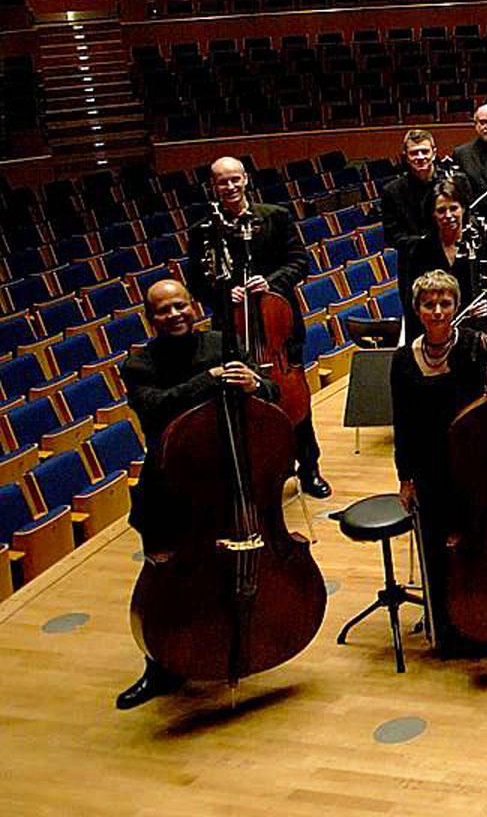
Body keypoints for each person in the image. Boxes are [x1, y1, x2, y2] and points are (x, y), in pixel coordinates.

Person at [115, 278, 280, 710]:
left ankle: (242, 641)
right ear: (150, 319)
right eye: (163, 311)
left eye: (180, 306)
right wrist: (206, 382)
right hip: (170, 489)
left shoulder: (224, 344)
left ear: (193, 306)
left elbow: (273, 393)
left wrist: (255, 385)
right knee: (167, 583)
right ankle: (161, 665)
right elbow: (153, 407)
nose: (174, 315)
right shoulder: (140, 365)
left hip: (231, 483)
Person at [390, 269, 487, 658]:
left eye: (445, 303)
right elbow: (403, 425)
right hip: (430, 469)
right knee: (437, 549)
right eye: (429, 304)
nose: (437, 311)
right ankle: (449, 626)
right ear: (417, 310)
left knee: (480, 543)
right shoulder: (403, 360)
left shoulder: (476, 345)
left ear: (455, 307)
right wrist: (405, 478)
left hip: (476, 465)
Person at [186, 156, 327, 498]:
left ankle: (309, 469)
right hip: (233, 331)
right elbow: (197, 283)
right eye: (223, 182)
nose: (230, 187)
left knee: (296, 404)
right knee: (244, 407)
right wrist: (223, 292)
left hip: (279, 327)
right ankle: (260, 475)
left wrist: (272, 282)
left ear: (246, 179)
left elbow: (300, 262)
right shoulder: (204, 231)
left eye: (235, 179)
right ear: (213, 187)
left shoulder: (274, 217)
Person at [400, 180, 485, 344]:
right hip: (434, 331)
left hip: (476, 332)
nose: (448, 216)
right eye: (441, 210)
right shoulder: (420, 250)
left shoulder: (480, 244)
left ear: (463, 209)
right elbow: (413, 300)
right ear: (433, 214)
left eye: (453, 208)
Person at [379, 129, 445, 265]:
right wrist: (427, 242)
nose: (420, 157)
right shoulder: (392, 191)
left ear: (434, 153)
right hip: (413, 263)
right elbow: (392, 236)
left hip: (449, 258)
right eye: (414, 153)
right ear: (406, 156)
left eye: (425, 151)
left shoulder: (452, 183)